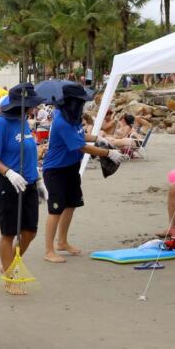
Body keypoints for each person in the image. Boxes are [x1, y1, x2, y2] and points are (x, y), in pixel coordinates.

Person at [42, 84, 124, 263]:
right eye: (80, 102)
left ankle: (62, 242)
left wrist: (98, 138)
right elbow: (80, 146)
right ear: (72, 102)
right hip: (55, 170)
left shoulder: (73, 118)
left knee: (71, 204)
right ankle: (48, 250)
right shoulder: (61, 121)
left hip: (71, 167)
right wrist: (108, 153)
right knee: (56, 209)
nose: (82, 105)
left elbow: (80, 136)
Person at [0, 84, 48, 292]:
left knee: (30, 231)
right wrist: (8, 172)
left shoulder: (24, 122)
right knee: (9, 232)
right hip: (7, 183)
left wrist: (38, 181)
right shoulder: (1, 124)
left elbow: (29, 153)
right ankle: (10, 278)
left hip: (28, 182)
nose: (32, 108)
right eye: (29, 104)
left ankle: (9, 262)